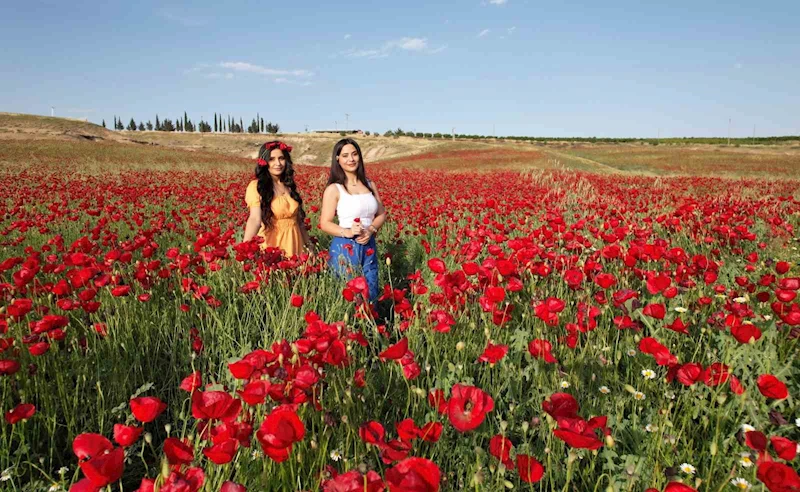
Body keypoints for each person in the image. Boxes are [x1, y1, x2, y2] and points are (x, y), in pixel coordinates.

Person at [318, 138, 387, 302]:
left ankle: (370, 326)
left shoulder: (370, 184)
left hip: (368, 244)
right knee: (348, 296)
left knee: (370, 292)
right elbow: (324, 223)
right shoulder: (335, 189)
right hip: (345, 246)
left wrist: (371, 230)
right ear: (338, 159)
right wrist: (348, 232)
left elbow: (382, 214)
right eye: (345, 155)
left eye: (354, 154)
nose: (351, 159)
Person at [243, 141, 312, 257]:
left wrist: (309, 246)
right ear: (264, 162)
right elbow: (255, 219)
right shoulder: (257, 186)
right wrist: (244, 249)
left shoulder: (289, 185)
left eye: (281, 158)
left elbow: (299, 222)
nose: (278, 163)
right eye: (272, 159)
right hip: (272, 244)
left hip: (296, 244)